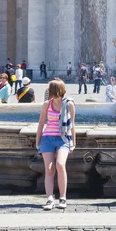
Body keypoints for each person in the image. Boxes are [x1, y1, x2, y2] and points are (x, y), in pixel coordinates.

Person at [36, 79, 75, 210]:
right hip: (47, 139)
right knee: (49, 169)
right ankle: (49, 199)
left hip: (63, 139)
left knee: (60, 164)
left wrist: (73, 142)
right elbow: (41, 123)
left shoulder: (69, 104)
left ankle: (63, 198)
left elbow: (72, 125)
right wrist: (38, 141)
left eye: (51, 89)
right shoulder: (47, 104)